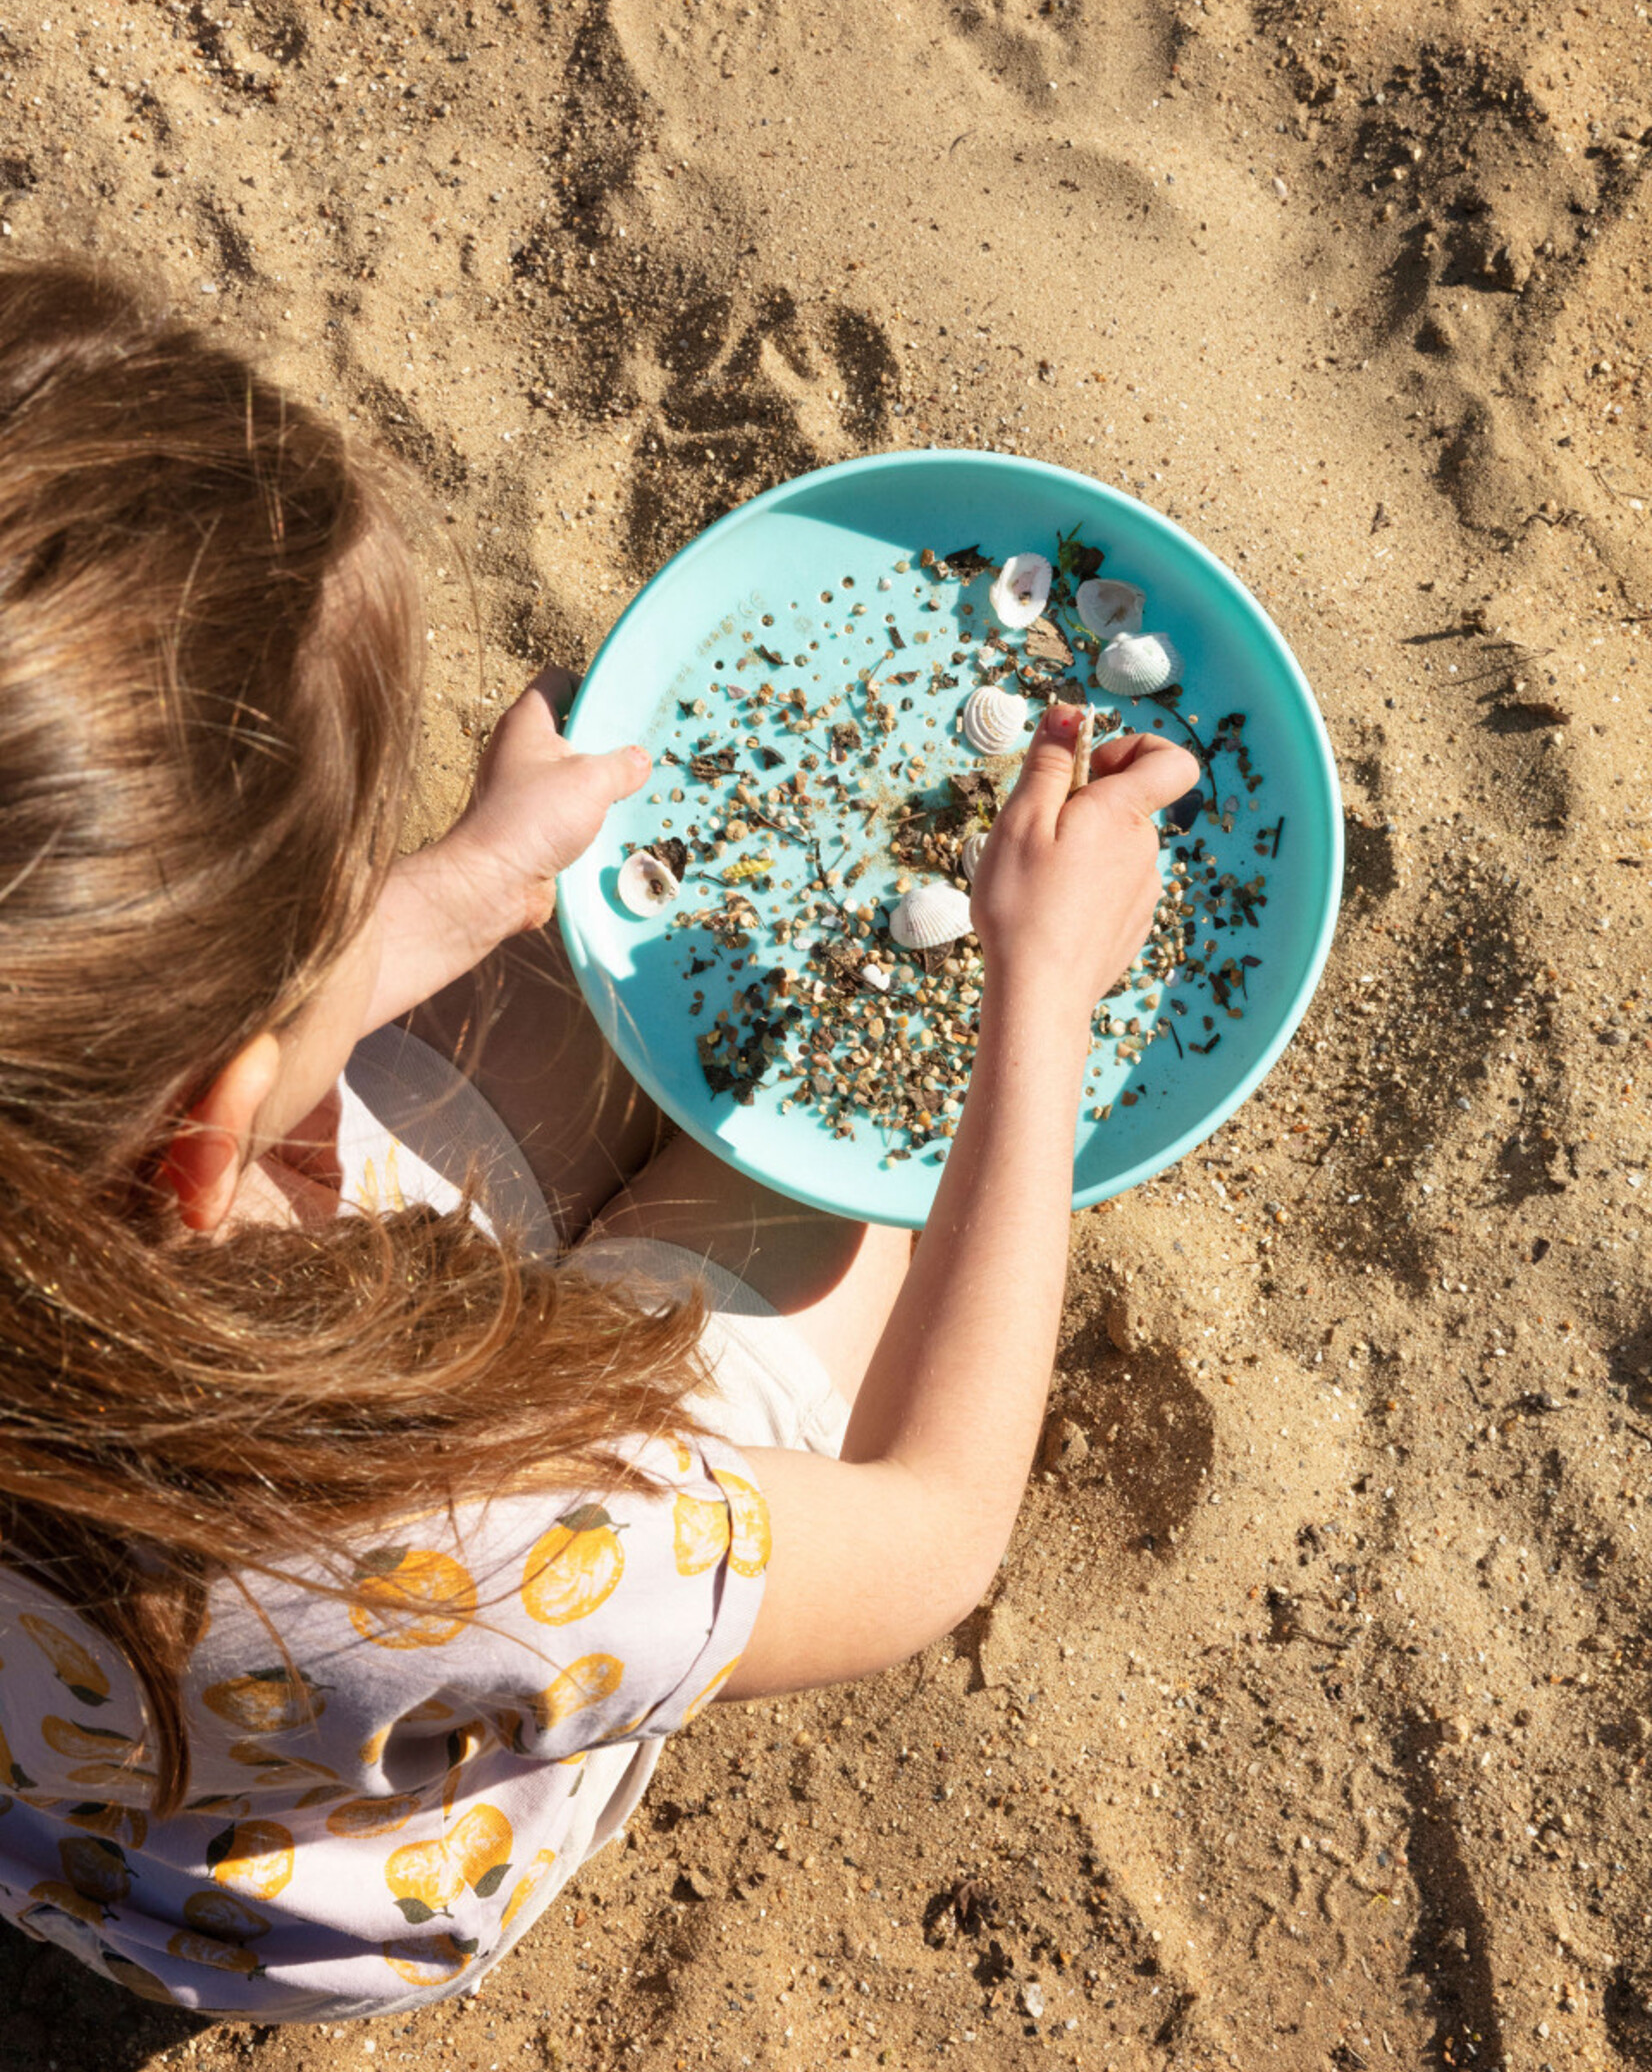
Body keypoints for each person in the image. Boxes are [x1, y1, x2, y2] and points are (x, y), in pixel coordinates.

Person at [0, 260, 1199, 2020]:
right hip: (334, 1770)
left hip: (102, 1689)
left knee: (568, 987)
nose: (373, 904)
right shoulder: (462, 1547)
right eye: (333, 903)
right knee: (834, 1188)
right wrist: (1041, 1008)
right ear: (204, 1129)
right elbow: (931, 1538)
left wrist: (447, 893)